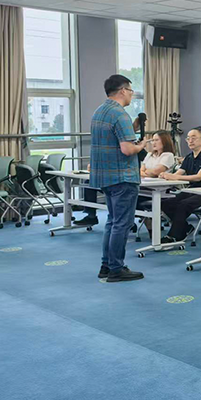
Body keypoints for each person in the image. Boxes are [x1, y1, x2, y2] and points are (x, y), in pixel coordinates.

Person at [90, 75, 147, 282]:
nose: (131, 94)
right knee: (122, 224)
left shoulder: (99, 112)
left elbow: (113, 138)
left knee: (112, 222)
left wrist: (132, 128)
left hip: (105, 177)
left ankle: (106, 265)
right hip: (123, 177)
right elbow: (127, 149)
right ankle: (116, 268)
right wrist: (142, 145)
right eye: (131, 91)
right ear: (123, 90)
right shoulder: (120, 114)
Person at [159, 127, 201, 243]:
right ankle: (185, 228)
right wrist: (166, 176)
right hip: (193, 190)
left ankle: (174, 235)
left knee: (183, 205)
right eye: (188, 138)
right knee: (166, 203)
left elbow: (198, 177)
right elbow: (179, 173)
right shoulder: (189, 157)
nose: (190, 141)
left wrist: (174, 177)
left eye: (194, 138)